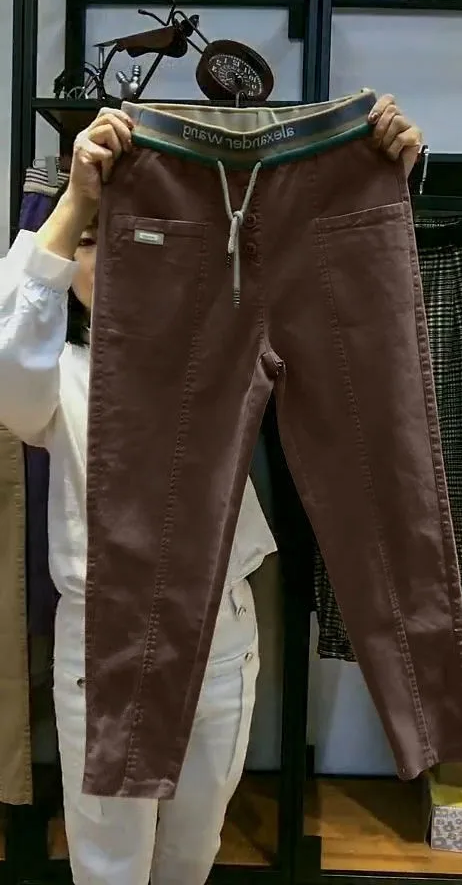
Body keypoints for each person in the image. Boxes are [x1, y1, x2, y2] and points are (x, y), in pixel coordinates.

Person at [0, 95, 422, 885]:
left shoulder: (220, 335)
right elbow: (5, 364)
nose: (110, 255)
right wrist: (76, 201)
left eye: (128, 235)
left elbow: (343, 321)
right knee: (111, 864)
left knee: (193, 855)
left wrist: (381, 186)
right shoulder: (58, 372)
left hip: (224, 628)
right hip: (107, 634)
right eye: (92, 243)